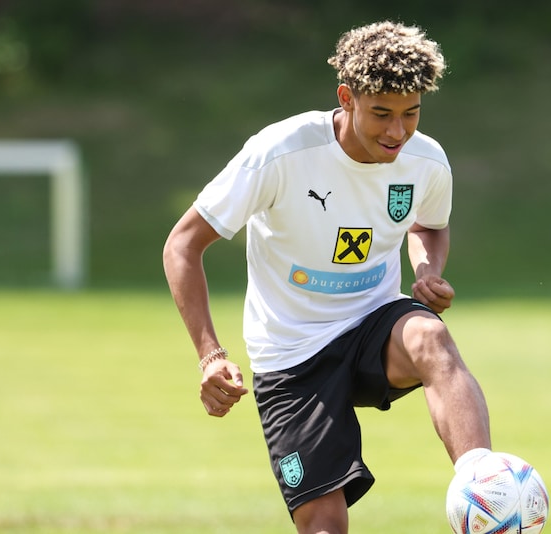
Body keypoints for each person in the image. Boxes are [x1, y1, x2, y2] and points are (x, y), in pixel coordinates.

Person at [163, 20, 492, 534]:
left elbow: (430, 225)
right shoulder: (281, 152)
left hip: (372, 326)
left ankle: (485, 490)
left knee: (429, 334)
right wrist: (210, 355)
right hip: (291, 355)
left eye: (411, 114)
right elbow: (183, 245)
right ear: (347, 97)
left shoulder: (425, 161)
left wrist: (427, 270)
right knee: (324, 525)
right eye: (381, 114)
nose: (397, 132)